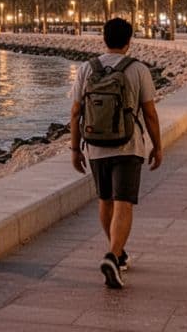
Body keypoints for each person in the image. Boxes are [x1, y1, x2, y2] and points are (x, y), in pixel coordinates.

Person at [70, 17, 163, 289]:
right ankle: (113, 254)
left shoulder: (88, 68)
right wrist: (157, 146)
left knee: (105, 200)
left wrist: (75, 149)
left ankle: (118, 254)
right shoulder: (138, 69)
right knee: (124, 202)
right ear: (129, 41)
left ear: (103, 38)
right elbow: (150, 113)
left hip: (96, 146)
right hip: (128, 145)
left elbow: (76, 112)